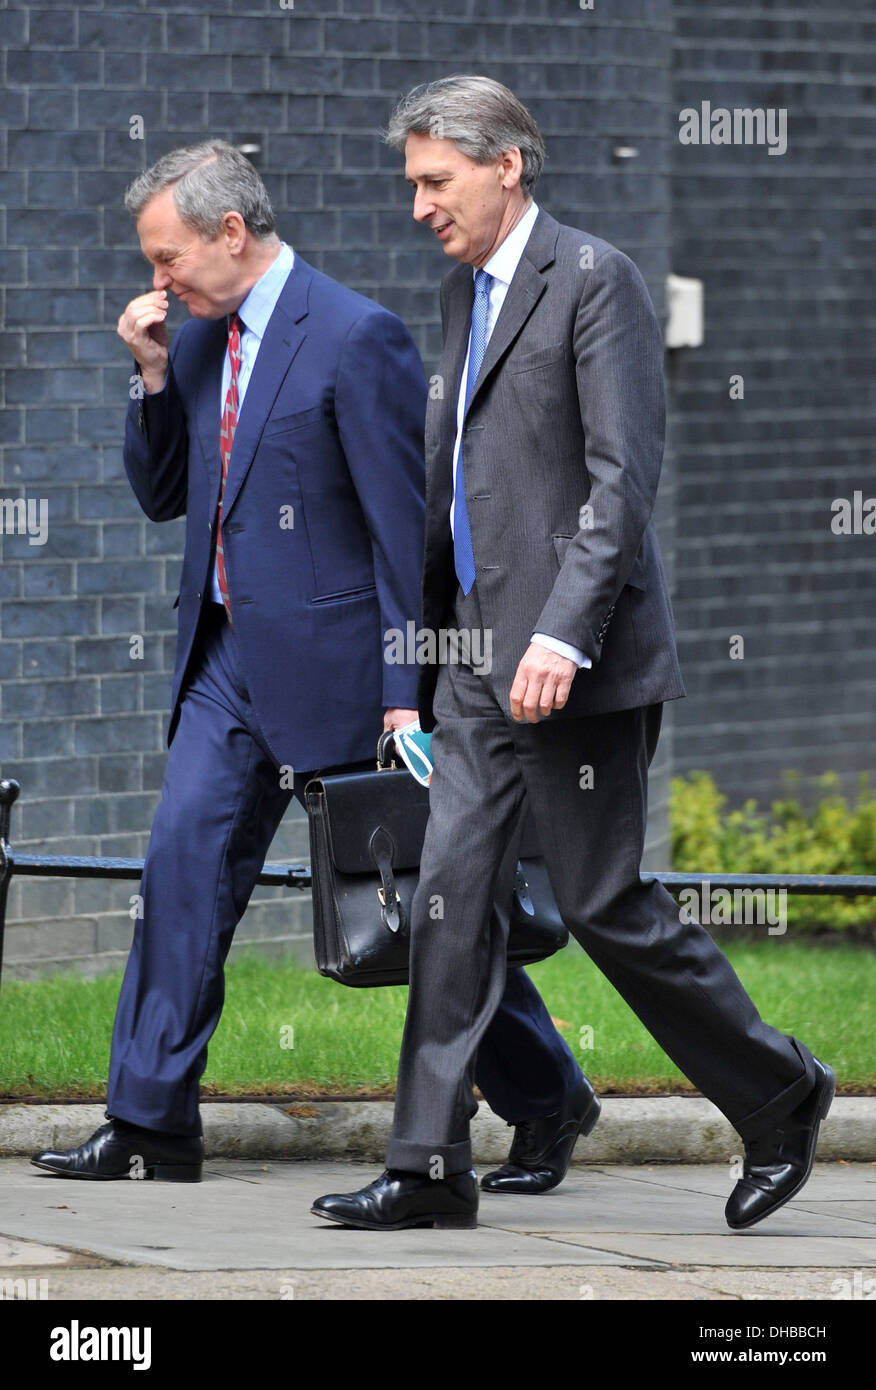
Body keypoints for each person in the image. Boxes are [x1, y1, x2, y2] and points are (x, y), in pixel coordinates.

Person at [312, 76, 834, 1233]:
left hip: (571, 661)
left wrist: (560, 630)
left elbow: (620, 482)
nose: (417, 206)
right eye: (411, 184)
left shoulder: (597, 282)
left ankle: (784, 1094)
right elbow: (449, 498)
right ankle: (429, 1164)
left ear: (508, 166)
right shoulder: (462, 296)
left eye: (433, 181)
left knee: (603, 901)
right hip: (474, 665)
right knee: (449, 898)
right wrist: (417, 678)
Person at [31, 140, 594, 1185]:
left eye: (167, 257)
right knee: (179, 873)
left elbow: (404, 535)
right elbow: (164, 496)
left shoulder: (353, 336)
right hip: (226, 664)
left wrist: (401, 694)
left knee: (413, 904)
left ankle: (550, 1096)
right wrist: (150, 375)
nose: (158, 279)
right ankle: (150, 1119)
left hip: (345, 676)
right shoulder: (193, 341)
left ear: (230, 233)